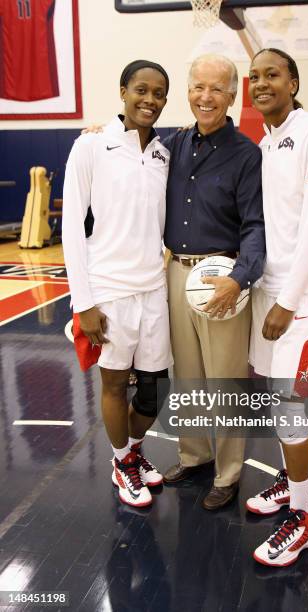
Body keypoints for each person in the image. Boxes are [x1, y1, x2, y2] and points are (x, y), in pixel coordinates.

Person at [245, 48, 308, 566]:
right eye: (255, 76)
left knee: (290, 405)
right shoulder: (265, 142)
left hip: (305, 294)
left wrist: (286, 300)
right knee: (275, 397)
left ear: (294, 81)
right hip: (272, 288)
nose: (262, 83)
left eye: (273, 75)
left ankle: (303, 519)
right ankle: (290, 482)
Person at [62, 60, 173, 509]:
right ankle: (121, 460)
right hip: (108, 288)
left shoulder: (166, 152)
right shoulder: (90, 146)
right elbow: (72, 225)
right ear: (123, 90)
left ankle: (133, 450)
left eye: (159, 93)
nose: (149, 99)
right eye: (141, 90)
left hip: (154, 288)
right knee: (113, 386)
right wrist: (83, 301)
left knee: (154, 388)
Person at [163, 54, 265, 510]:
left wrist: (240, 279)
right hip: (175, 272)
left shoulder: (247, 155)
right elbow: (129, 147)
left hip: (221, 278)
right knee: (185, 376)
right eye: (198, 87)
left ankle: (228, 473)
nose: (206, 97)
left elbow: (257, 226)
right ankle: (194, 455)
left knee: (223, 380)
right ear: (188, 90)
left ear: (232, 95)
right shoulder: (175, 144)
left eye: (217, 89)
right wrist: (102, 131)